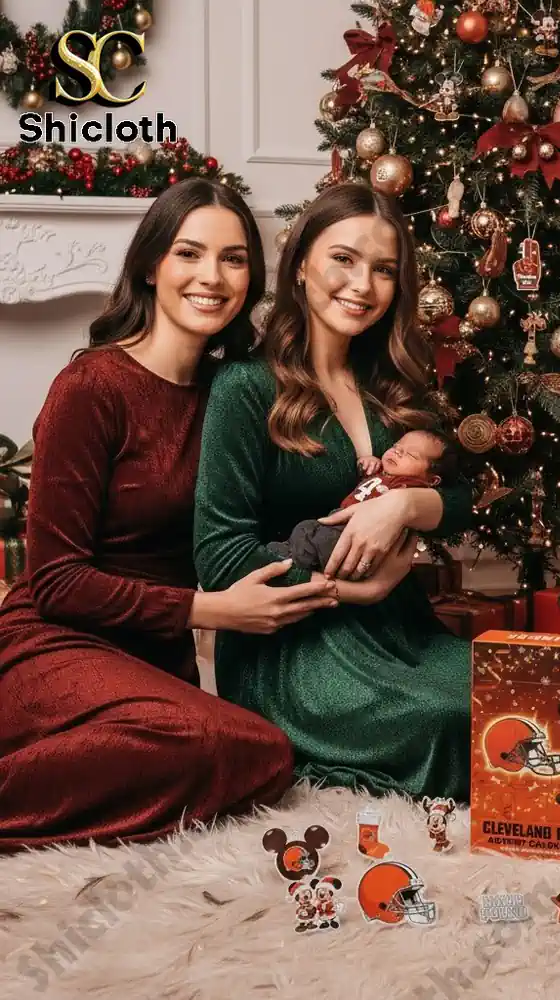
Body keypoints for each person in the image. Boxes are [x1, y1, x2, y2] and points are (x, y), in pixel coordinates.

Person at [0, 179, 336, 852]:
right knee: (235, 746)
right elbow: (57, 582)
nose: (211, 277)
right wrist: (208, 610)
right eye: (190, 253)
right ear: (152, 266)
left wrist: (407, 501)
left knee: (260, 757)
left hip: (154, 666)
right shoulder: (90, 388)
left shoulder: (235, 393)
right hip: (55, 642)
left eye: (234, 259)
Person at [193, 182, 474, 802]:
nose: (363, 285)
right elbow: (219, 558)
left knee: (515, 701)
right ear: (299, 267)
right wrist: (351, 588)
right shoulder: (244, 388)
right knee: (449, 722)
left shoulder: (393, 384)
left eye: (383, 270)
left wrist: (404, 504)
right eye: (343, 259)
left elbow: (460, 498)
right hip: (293, 645)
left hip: (401, 631)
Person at [266, 428, 459, 573]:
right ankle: (285, 553)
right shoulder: (382, 471)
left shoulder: (411, 484)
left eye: (410, 454)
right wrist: (369, 462)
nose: (397, 452)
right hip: (338, 518)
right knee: (306, 528)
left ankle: (289, 565)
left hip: (360, 532)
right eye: (396, 446)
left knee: (321, 544)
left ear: (432, 479)